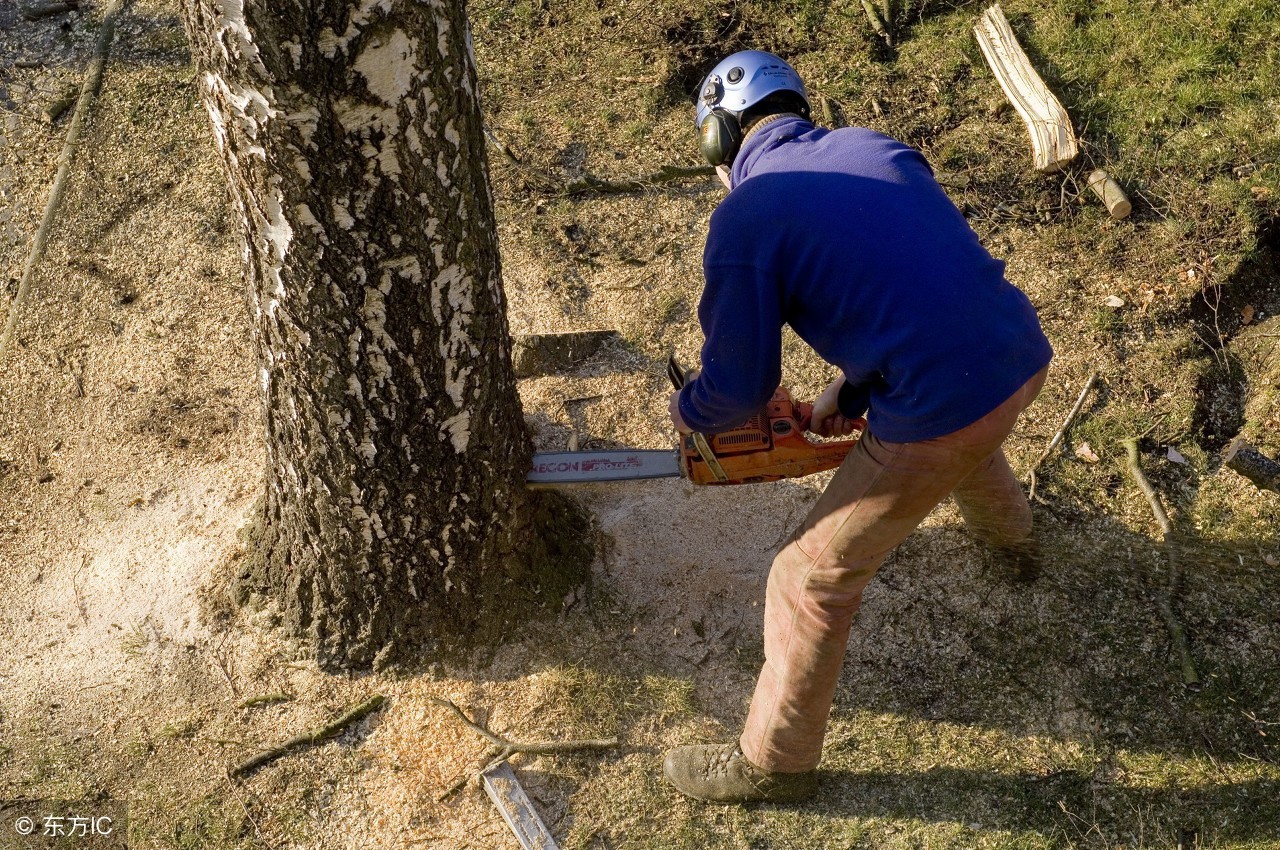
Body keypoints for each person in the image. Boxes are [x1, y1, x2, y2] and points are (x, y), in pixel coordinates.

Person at [662, 50, 1054, 803]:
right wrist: (850, 387)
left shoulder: (746, 215)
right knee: (966, 440)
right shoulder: (873, 145)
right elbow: (919, 282)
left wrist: (690, 414)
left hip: (945, 403)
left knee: (808, 581)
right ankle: (1016, 547)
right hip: (1017, 354)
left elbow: (742, 385)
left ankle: (772, 766)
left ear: (717, 139)